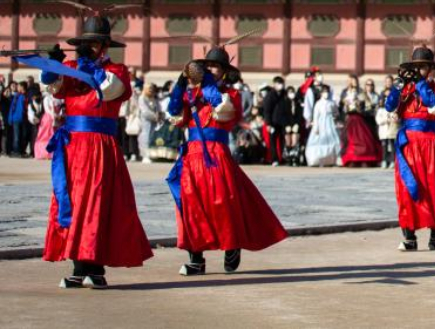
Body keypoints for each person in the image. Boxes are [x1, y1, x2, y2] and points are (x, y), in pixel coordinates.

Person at [39, 16, 153, 288]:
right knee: (74, 202)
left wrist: (91, 69)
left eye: (94, 44)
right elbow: (54, 88)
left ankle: (95, 266)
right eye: (85, 43)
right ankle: (80, 266)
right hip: (73, 146)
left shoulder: (118, 70)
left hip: (101, 146)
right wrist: (53, 65)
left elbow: (112, 91)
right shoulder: (71, 68)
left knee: (99, 204)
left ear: (103, 46)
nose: (89, 48)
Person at [169, 48, 288, 276]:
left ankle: (232, 244)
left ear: (223, 72)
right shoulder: (193, 95)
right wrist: (180, 85)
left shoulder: (231, 95)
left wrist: (206, 84)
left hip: (216, 154)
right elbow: (174, 112)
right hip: (191, 155)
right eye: (207, 66)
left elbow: (222, 112)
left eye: (215, 66)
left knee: (223, 203)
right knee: (191, 207)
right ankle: (196, 259)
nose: (209, 69)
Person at [384, 46, 435, 251]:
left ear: (430, 69)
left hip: (430, 144)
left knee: (432, 188)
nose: (418, 70)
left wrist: (420, 83)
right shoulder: (406, 89)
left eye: (422, 66)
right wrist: (398, 86)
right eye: (415, 66)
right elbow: (389, 106)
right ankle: (409, 234)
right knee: (406, 189)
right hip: (408, 144)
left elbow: (434, 105)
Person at [341, 82, 382, 167]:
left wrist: (359, 106)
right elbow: (345, 110)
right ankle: (352, 159)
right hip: (351, 121)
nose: (353, 91)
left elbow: (365, 109)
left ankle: (365, 159)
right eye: (352, 89)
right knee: (350, 140)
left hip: (360, 120)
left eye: (355, 89)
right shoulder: (346, 98)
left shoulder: (362, 98)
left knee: (363, 139)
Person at [305, 87, 341, 167]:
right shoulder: (318, 103)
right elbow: (316, 116)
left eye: (327, 92)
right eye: (324, 92)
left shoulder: (331, 103)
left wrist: (334, 117)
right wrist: (316, 127)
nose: (326, 94)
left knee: (334, 140)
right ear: (321, 93)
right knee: (319, 140)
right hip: (321, 123)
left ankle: (333, 159)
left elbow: (336, 113)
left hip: (330, 123)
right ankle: (318, 160)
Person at [34, 90, 60, 160]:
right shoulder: (47, 98)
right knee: (45, 135)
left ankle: (53, 153)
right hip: (48, 119)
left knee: (54, 135)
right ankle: (43, 153)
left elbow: (61, 108)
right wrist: (53, 116)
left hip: (57, 119)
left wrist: (58, 115)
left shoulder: (58, 98)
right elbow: (47, 109)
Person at [376, 92, 399, 168]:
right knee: (384, 146)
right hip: (384, 131)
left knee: (392, 146)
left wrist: (394, 119)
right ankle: (384, 160)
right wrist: (386, 120)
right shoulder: (380, 110)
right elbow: (378, 120)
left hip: (392, 131)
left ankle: (392, 161)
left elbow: (396, 118)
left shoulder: (393, 110)